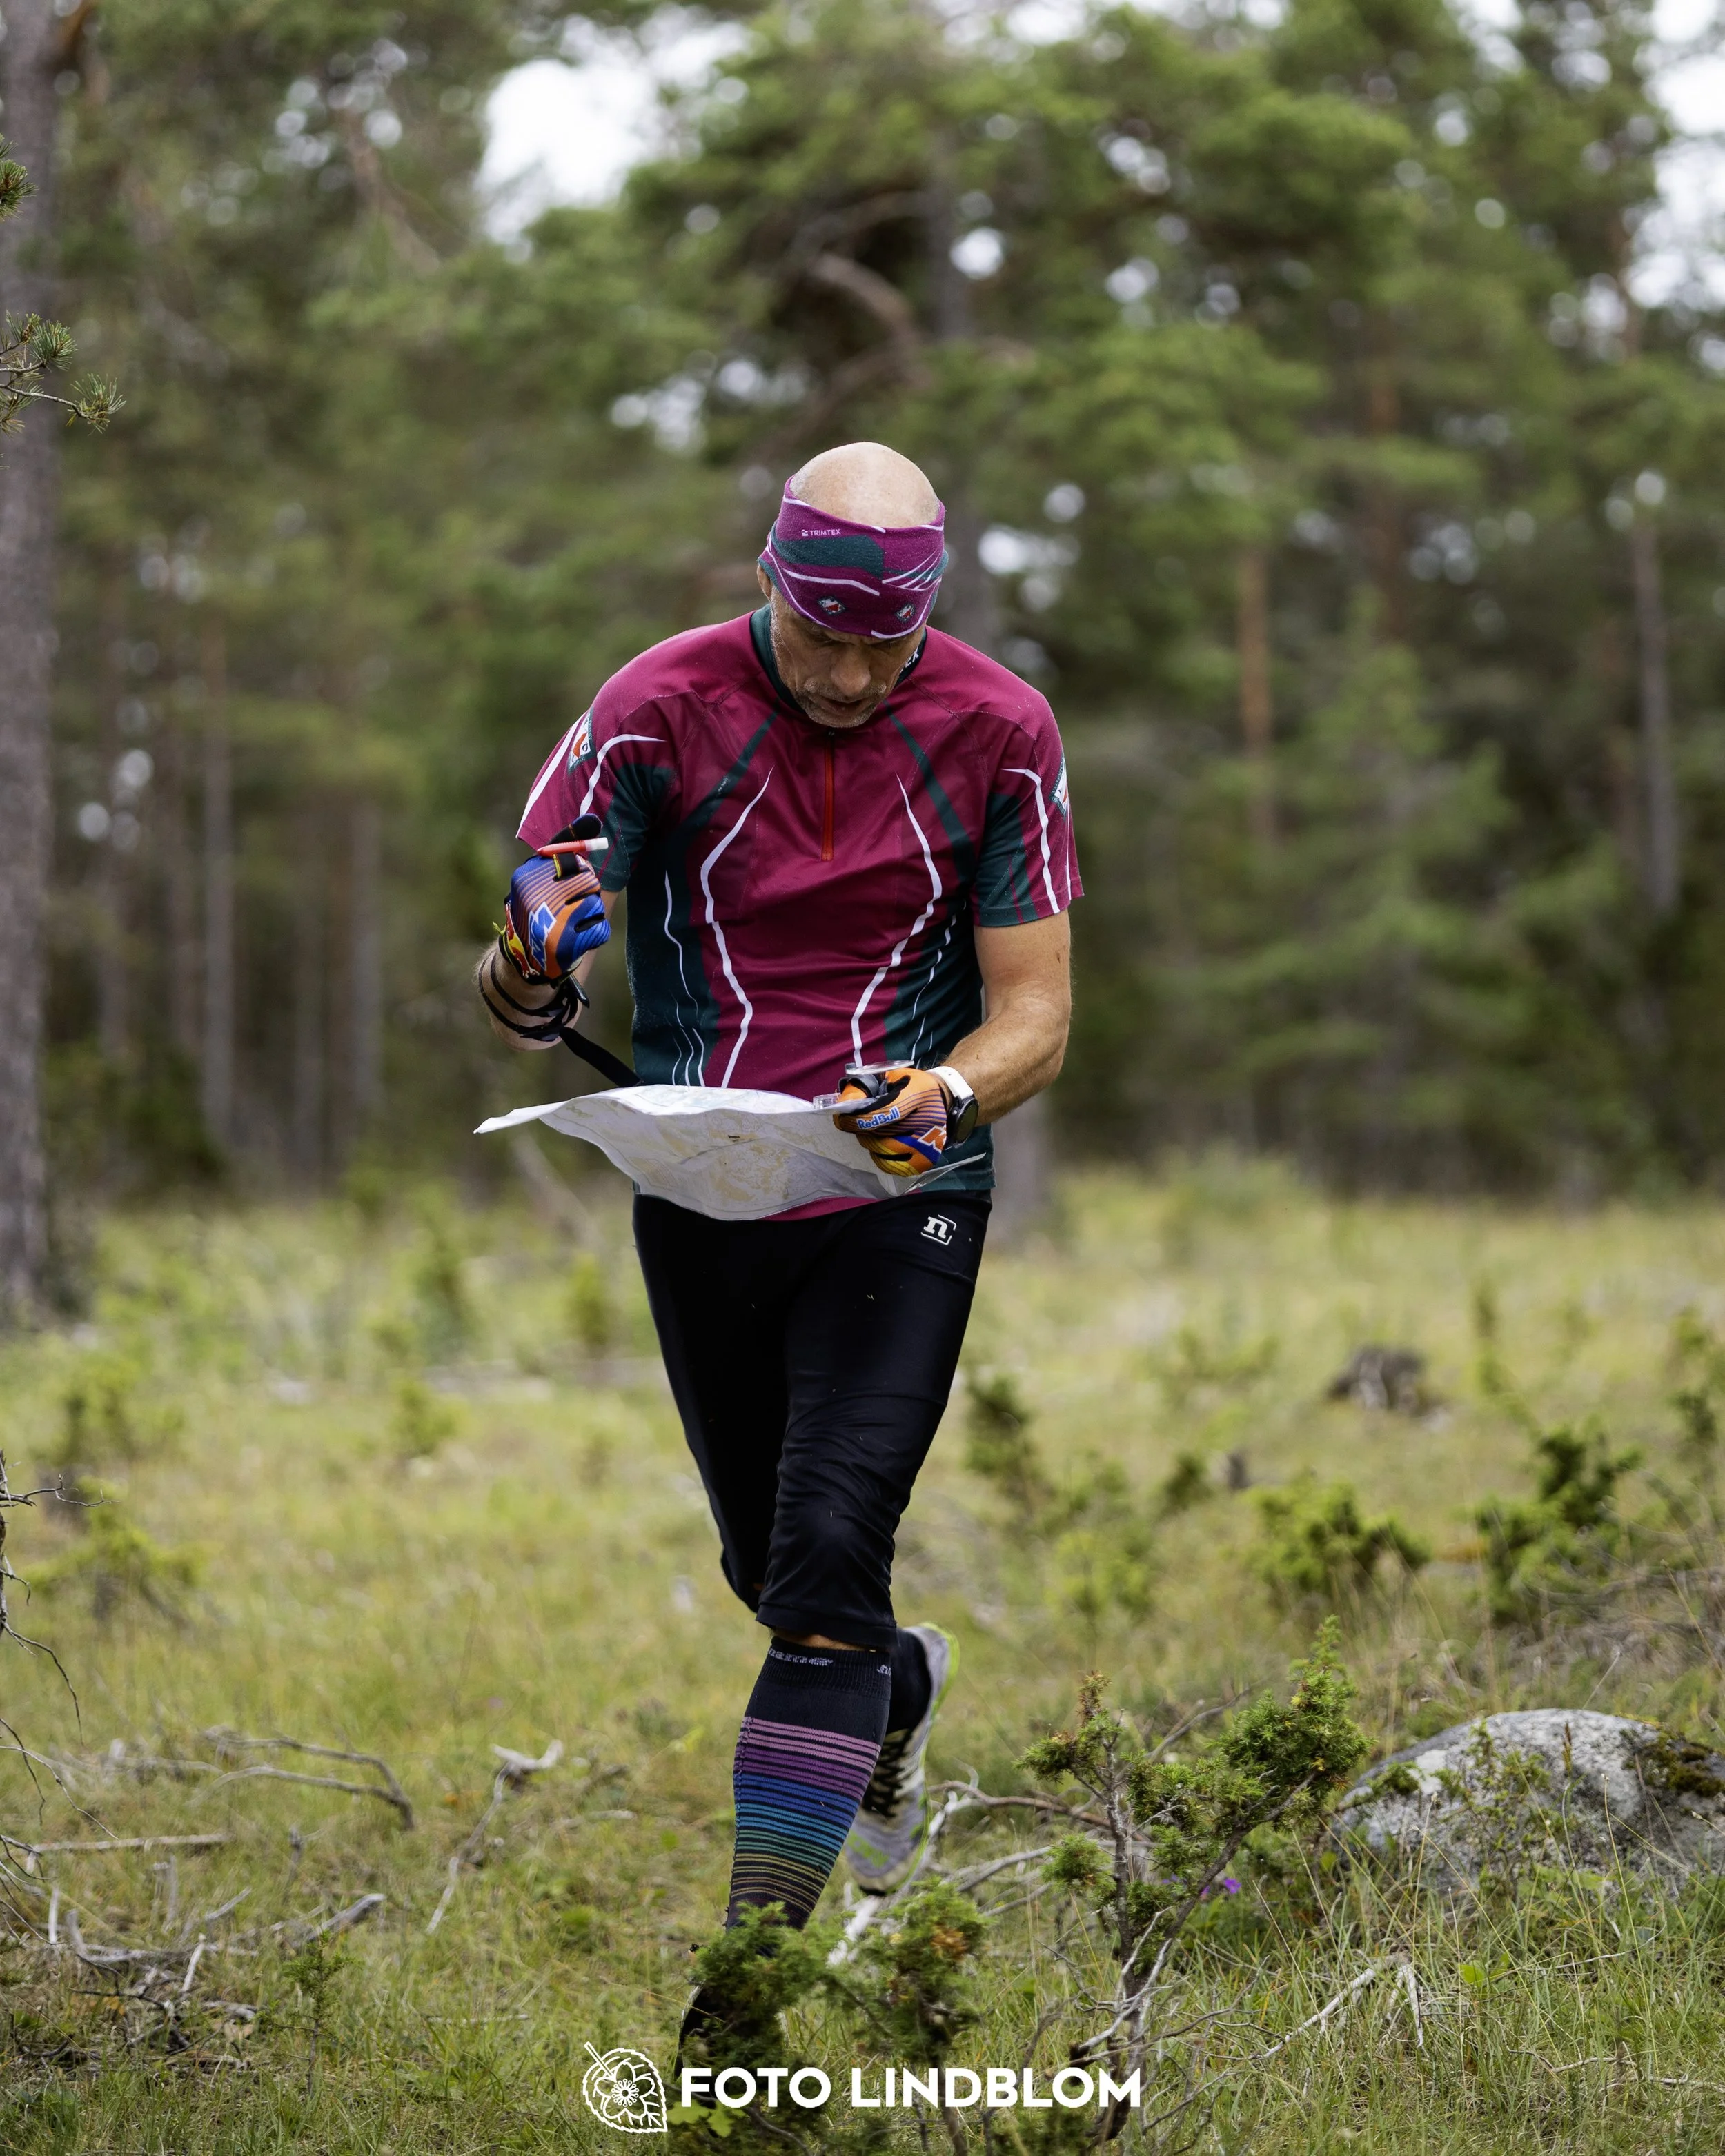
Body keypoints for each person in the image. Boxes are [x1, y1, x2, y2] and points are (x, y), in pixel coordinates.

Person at [476, 442, 1078, 1976]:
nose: (853, 673)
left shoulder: (1001, 729)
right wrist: (532, 959)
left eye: (888, 640)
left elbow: (1034, 1017)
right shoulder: (656, 703)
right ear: (767, 578)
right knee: (774, 1573)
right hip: (705, 1177)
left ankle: (739, 2005)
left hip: (898, 1181)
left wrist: (945, 1091)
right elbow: (528, 944)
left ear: (927, 611)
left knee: (821, 1559)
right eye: (823, 632)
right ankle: (897, 1692)